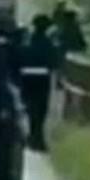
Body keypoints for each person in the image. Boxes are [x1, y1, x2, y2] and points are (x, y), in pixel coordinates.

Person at [19, 13, 60, 151]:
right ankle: (37, 138)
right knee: (40, 110)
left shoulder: (26, 40)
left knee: (31, 109)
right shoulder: (48, 43)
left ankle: (34, 136)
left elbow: (18, 58)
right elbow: (54, 62)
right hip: (41, 79)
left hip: (27, 78)